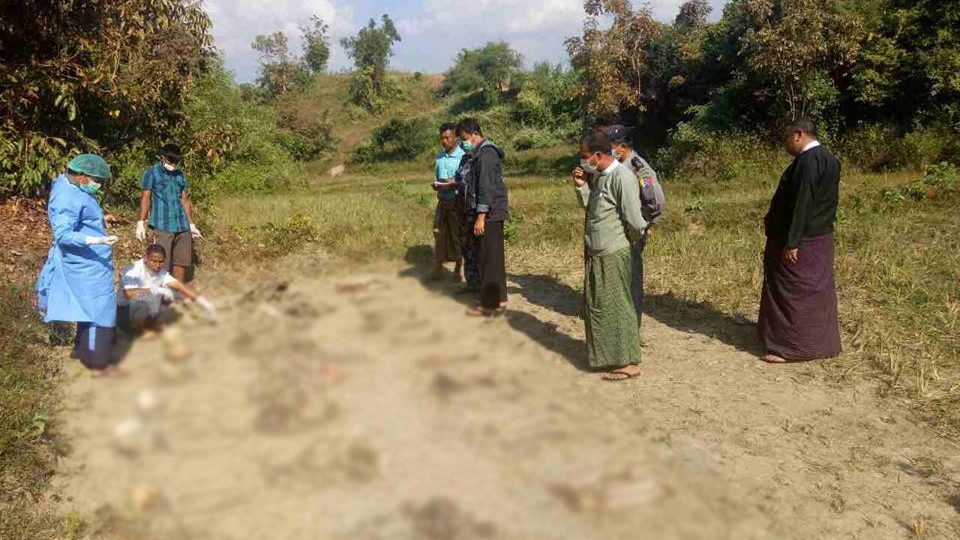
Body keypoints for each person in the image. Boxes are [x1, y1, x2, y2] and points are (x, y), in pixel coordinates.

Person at [759, 119, 842, 363]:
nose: (786, 145)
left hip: (802, 240)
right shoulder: (829, 159)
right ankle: (819, 343)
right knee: (815, 291)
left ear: (798, 135)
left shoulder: (808, 162)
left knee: (794, 292)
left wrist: (792, 241)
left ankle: (791, 348)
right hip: (820, 237)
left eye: (787, 138)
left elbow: (802, 203)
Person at [572, 132, 647, 380]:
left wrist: (627, 244)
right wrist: (582, 187)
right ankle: (608, 357)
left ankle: (628, 362)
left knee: (619, 307)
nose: (583, 162)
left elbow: (635, 222)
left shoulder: (622, 177)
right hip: (598, 252)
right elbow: (595, 210)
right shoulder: (601, 177)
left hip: (613, 252)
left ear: (599, 155)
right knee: (600, 307)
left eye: (585, 157)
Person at [35, 154, 120, 374]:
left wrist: (100, 220)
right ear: (82, 176)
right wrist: (95, 239)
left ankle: (84, 351)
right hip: (84, 263)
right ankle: (97, 361)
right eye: (96, 181)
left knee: (88, 309)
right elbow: (63, 234)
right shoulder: (67, 196)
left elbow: (80, 216)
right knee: (100, 309)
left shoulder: (70, 186)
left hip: (90, 261)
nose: (99, 186)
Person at [604, 124, 666, 324]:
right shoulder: (616, 166)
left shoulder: (640, 169)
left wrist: (642, 224)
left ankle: (633, 321)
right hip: (617, 230)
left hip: (633, 231)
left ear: (621, 146)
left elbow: (655, 201)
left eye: (610, 146)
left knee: (632, 277)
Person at [458, 118, 509, 316]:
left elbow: (485, 188)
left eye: (465, 139)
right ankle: (499, 299)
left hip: (490, 214)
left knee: (489, 260)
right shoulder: (480, 154)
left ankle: (490, 304)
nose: (464, 143)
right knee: (492, 259)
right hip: (490, 213)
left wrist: (481, 216)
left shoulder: (486, 154)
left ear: (475, 134)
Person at [135, 143, 202, 283]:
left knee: (181, 262)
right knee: (161, 263)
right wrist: (141, 222)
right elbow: (146, 197)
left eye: (176, 162)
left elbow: (184, 200)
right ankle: (159, 295)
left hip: (182, 226)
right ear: (162, 157)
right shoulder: (151, 173)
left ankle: (176, 295)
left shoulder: (180, 175)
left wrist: (191, 224)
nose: (173, 165)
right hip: (163, 224)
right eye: (170, 161)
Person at [118, 244, 216, 333]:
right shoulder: (133, 270)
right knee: (156, 297)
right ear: (146, 259)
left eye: (161, 262)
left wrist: (203, 302)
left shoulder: (161, 272)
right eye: (154, 261)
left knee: (173, 294)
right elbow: (128, 294)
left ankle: (148, 325)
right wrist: (153, 290)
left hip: (144, 303)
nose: (157, 265)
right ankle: (139, 328)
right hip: (125, 310)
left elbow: (180, 286)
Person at [430, 123, 466, 281]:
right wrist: (437, 185)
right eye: (442, 138)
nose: (444, 141)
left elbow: (463, 181)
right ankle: (438, 268)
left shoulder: (463, 157)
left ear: (455, 139)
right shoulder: (439, 157)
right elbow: (438, 178)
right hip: (442, 202)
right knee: (438, 234)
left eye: (447, 138)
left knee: (457, 235)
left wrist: (448, 184)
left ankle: (458, 269)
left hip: (456, 203)